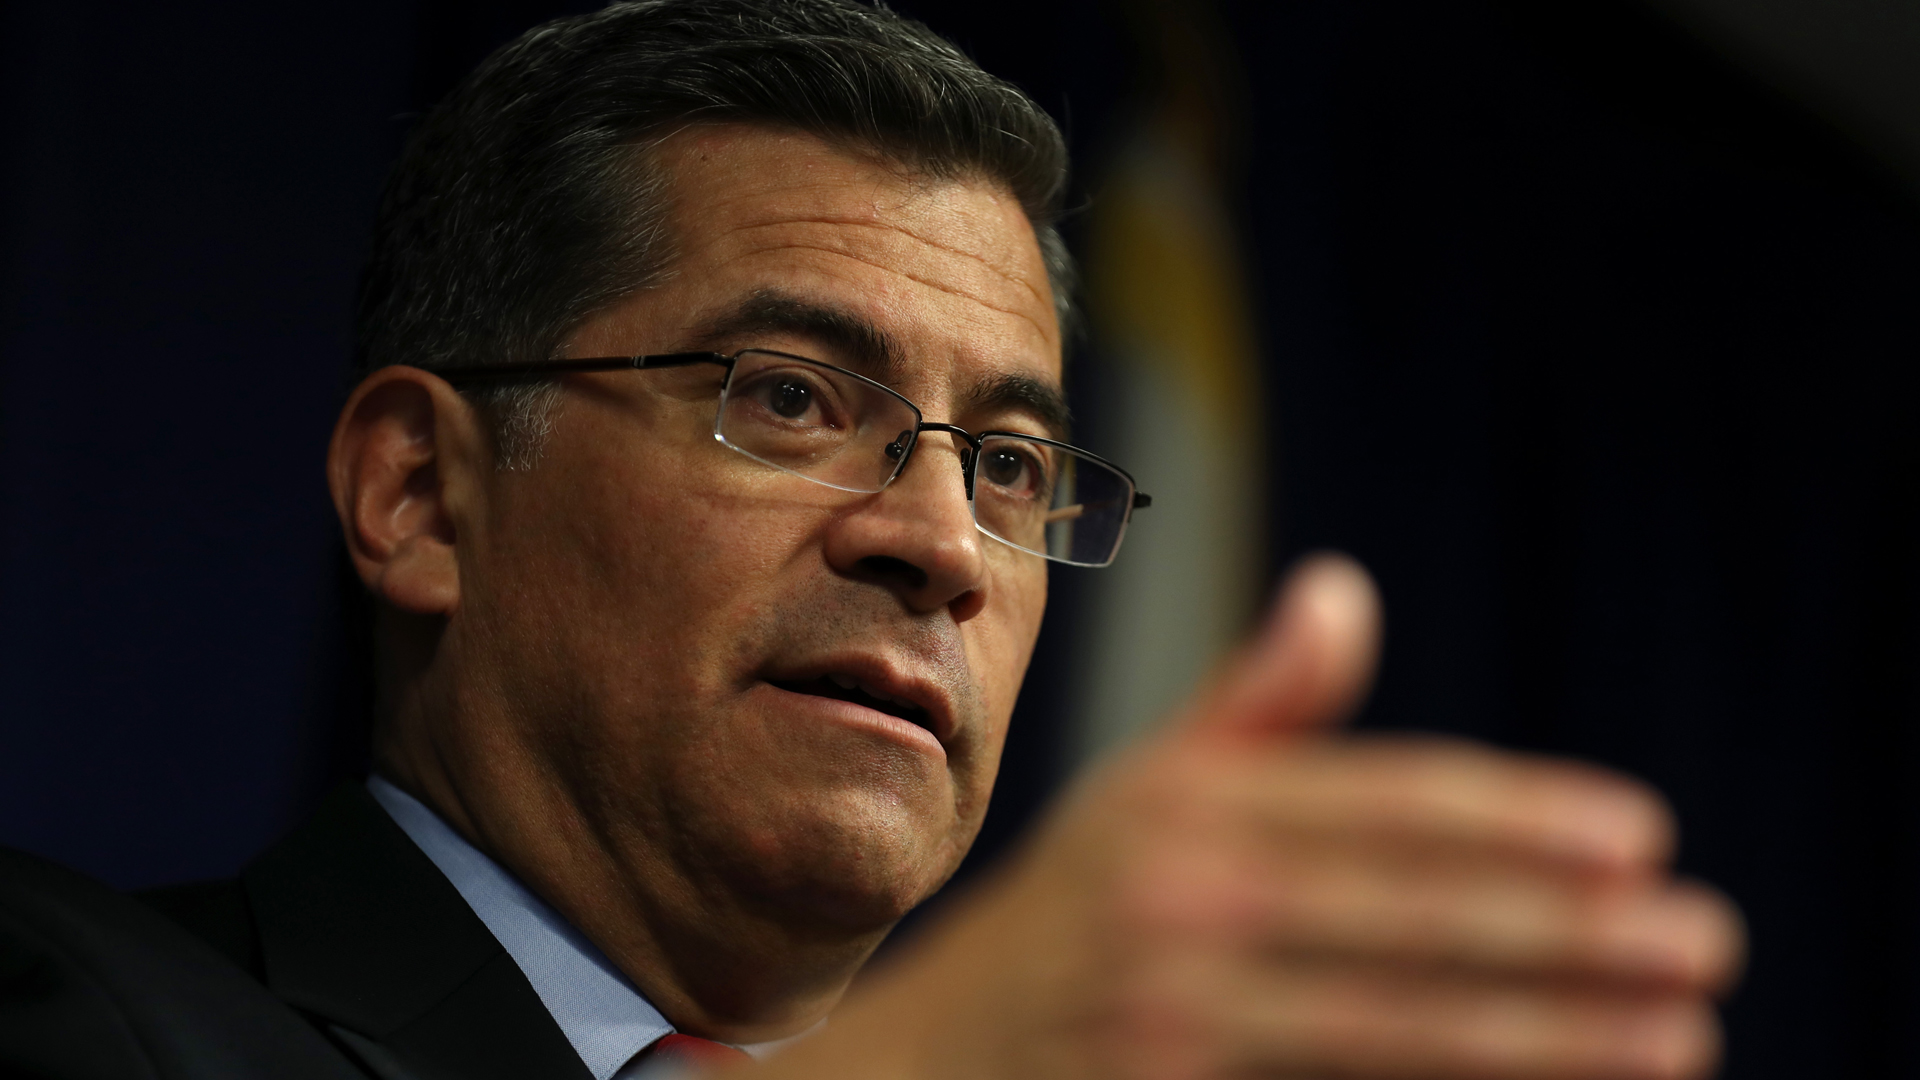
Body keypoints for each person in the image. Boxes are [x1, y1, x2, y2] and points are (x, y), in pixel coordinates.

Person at [108, 2, 1742, 1078]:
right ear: (419, 495)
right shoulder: (76, 1010)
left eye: (1017, 466)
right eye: (796, 400)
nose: (944, 544)